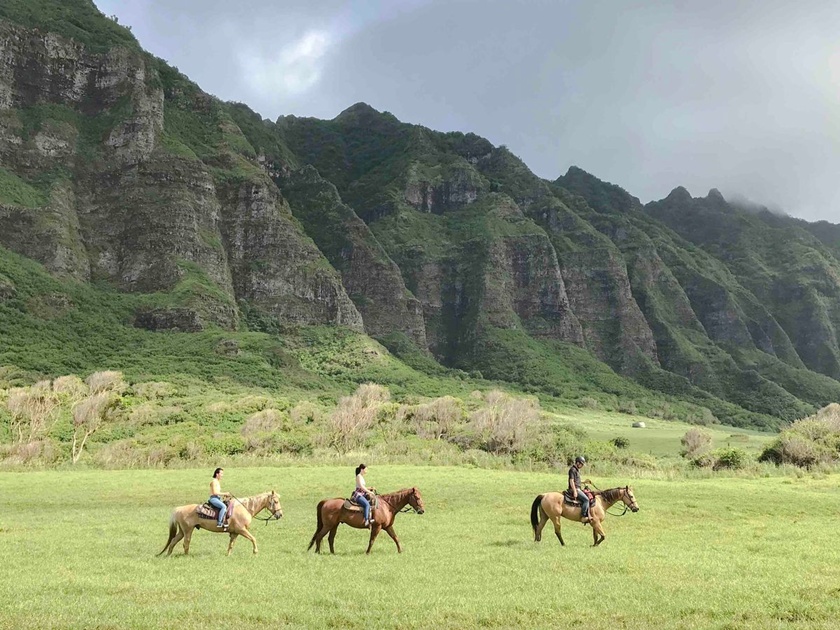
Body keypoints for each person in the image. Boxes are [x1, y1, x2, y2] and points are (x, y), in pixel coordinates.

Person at [568, 456, 590, 524]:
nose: (582, 466)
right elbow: (571, 481)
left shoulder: (577, 470)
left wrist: (584, 482)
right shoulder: (572, 470)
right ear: (577, 463)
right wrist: (574, 491)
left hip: (578, 488)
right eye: (581, 464)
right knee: (586, 500)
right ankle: (583, 516)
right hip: (575, 489)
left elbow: (577, 481)